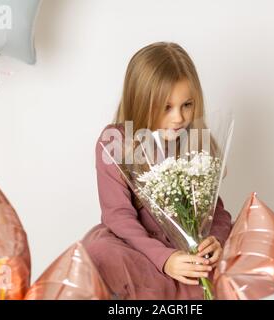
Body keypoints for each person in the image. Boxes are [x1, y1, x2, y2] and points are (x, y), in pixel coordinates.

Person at [82, 42, 232, 299]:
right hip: (140, 251)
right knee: (99, 253)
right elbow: (118, 217)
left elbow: (214, 210)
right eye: (166, 107)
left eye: (187, 105)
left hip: (188, 255)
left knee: (247, 247)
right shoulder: (116, 142)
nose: (178, 118)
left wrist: (215, 239)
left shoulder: (195, 140)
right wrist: (165, 259)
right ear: (141, 101)